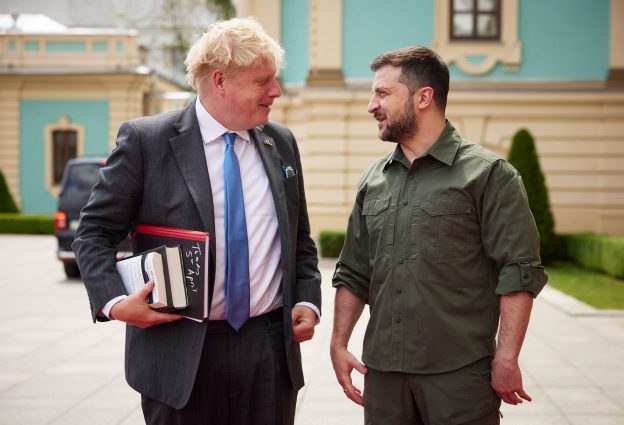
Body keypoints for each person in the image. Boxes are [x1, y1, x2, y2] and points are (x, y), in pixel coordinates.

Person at [73, 17, 322, 425]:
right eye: (263, 81)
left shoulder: (280, 141)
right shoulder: (146, 141)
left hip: (268, 350)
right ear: (220, 81)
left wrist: (307, 300)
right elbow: (94, 233)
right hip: (179, 352)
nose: (276, 91)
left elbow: (300, 239)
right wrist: (116, 303)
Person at [330, 46, 548, 425]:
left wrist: (507, 357)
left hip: (459, 377)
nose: (371, 105)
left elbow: (518, 270)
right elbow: (353, 270)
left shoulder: (489, 174)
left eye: (382, 93)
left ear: (423, 97)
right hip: (384, 377)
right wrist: (339, 343)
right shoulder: (373, 180)